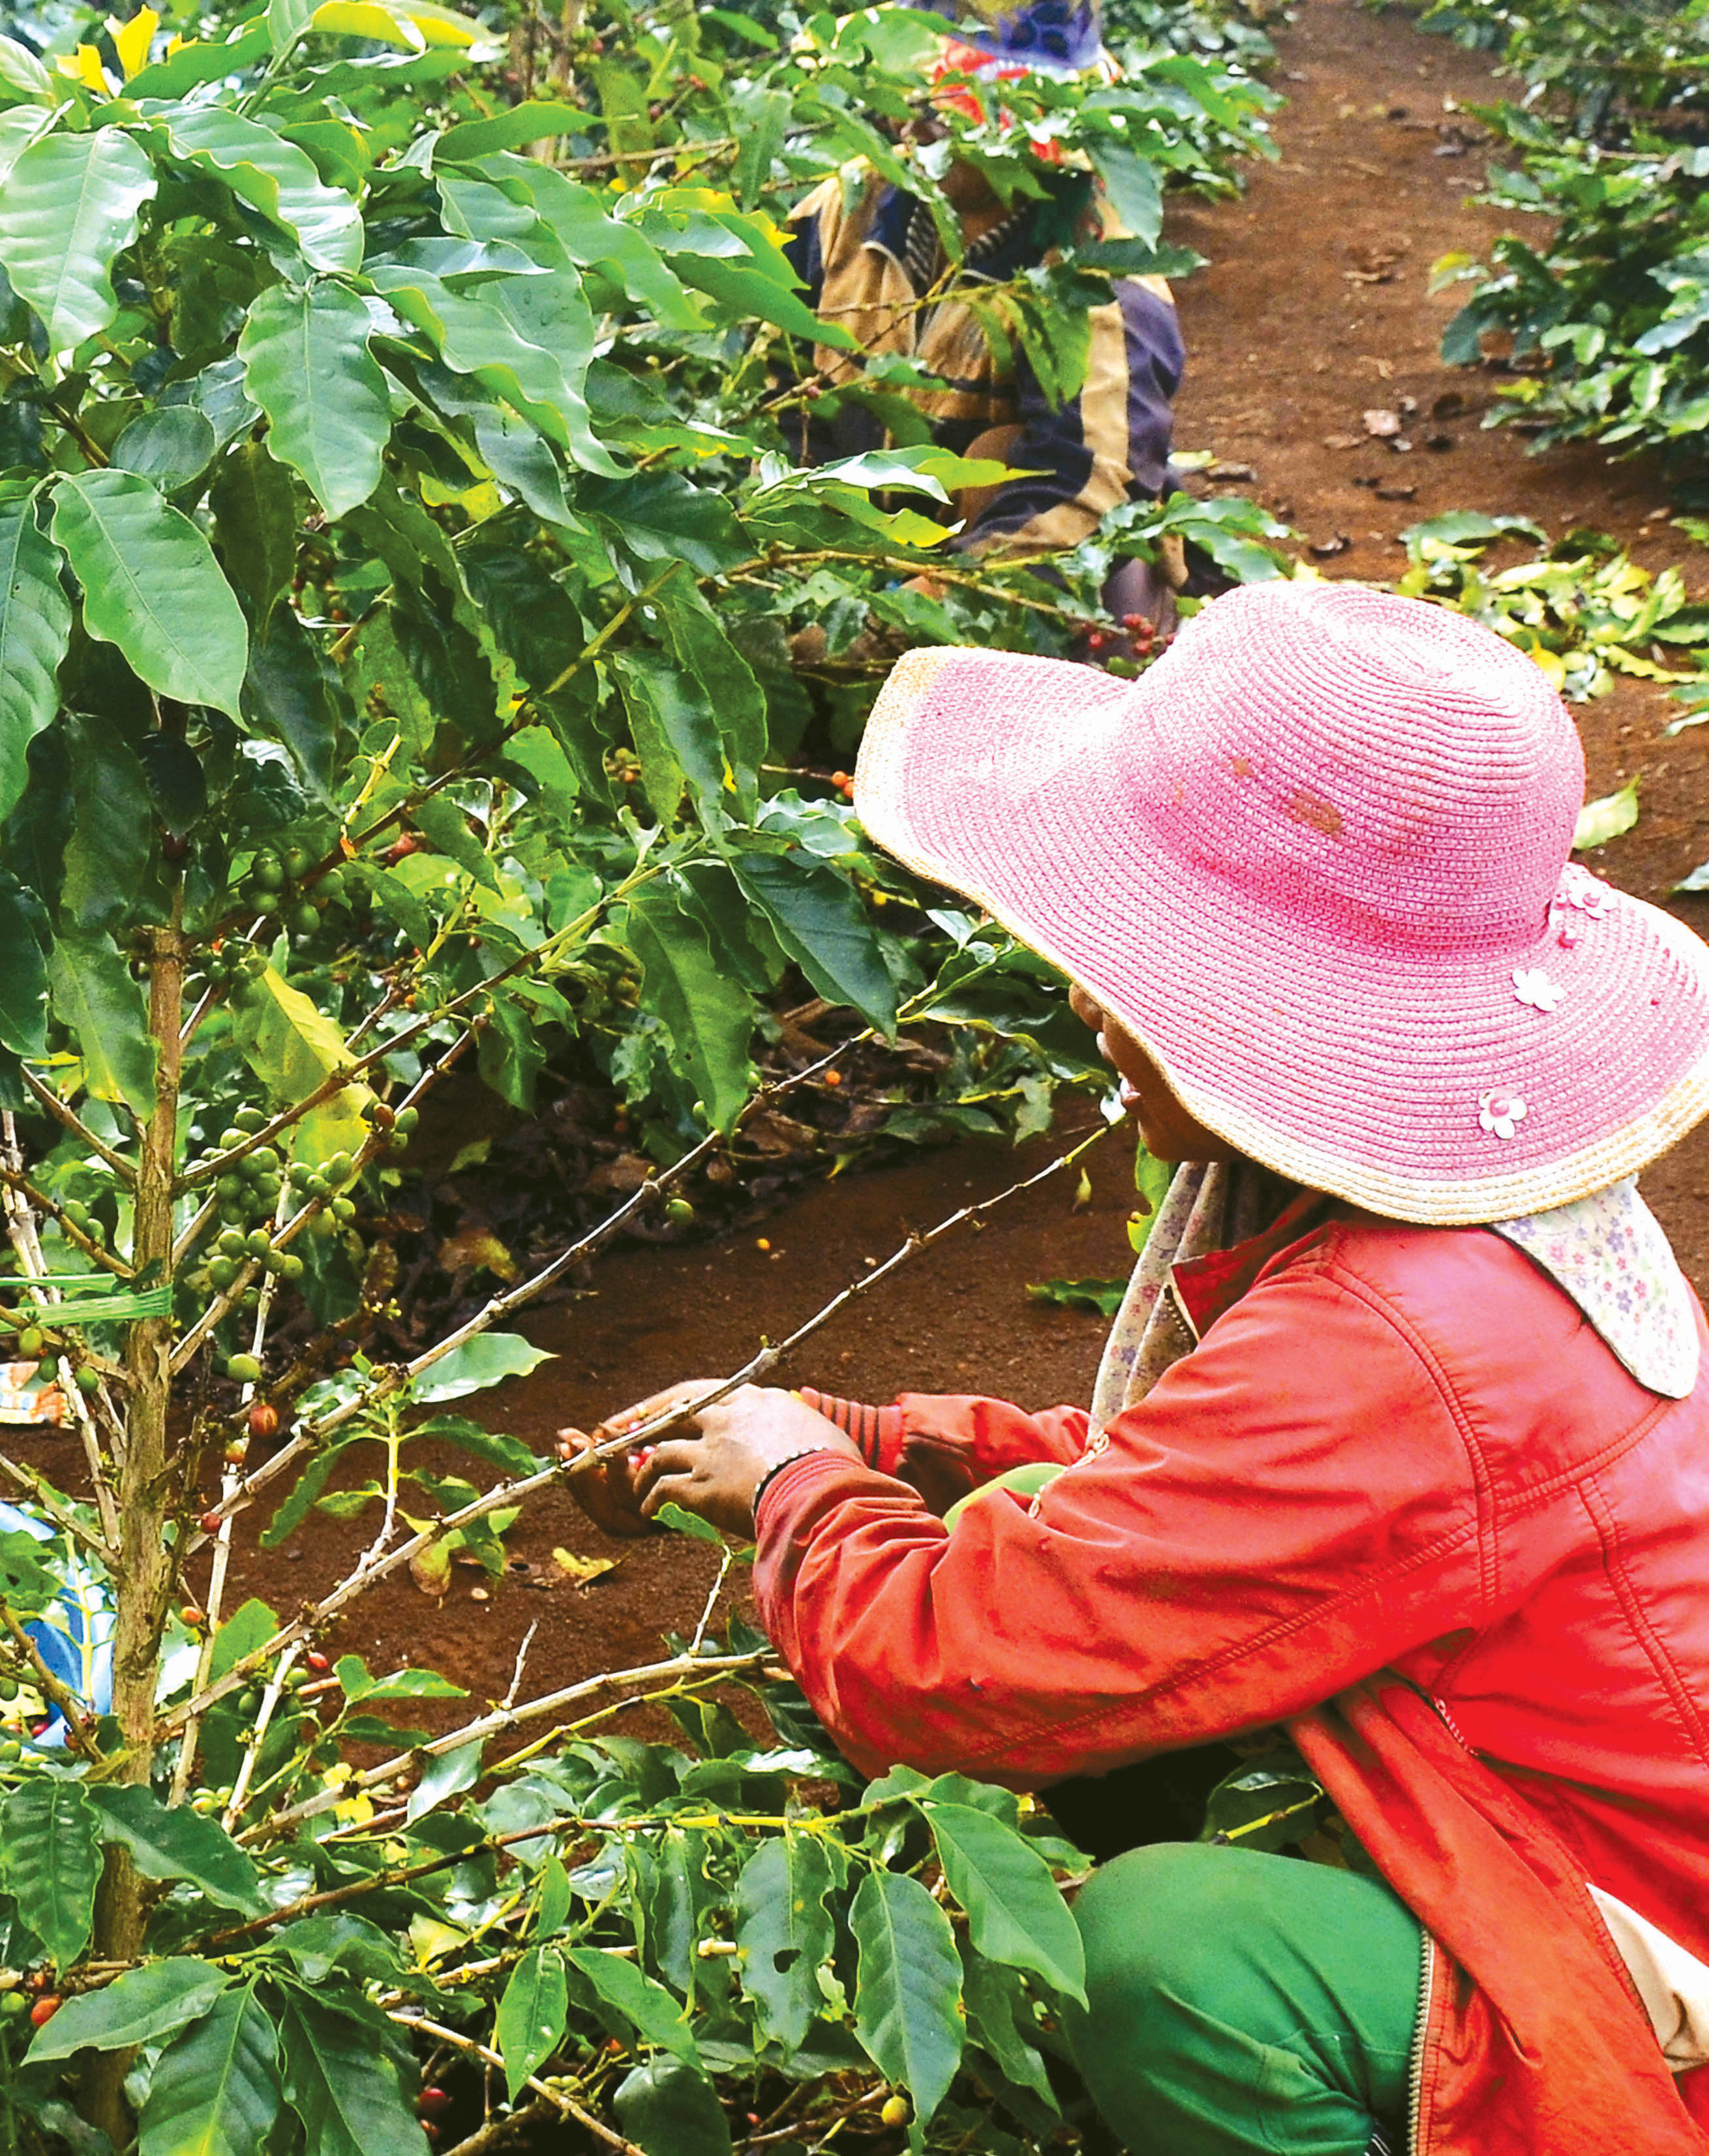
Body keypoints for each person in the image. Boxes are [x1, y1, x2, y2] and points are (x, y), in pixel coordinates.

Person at [569, 580, 1709, 2153]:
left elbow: (939, 1666)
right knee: (1042, 1501)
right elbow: (1193, 1485)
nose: (1090, 993)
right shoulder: (1444, 1229)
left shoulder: (1403, 1333)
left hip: (1635, 1935)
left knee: (1163, 1961)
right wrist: (879, 1441)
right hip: (1556, 1795)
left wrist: (792, 1483)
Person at [782, 0, 1185, 627]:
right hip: (858, 552)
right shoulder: (838, 212)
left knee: (1113, 576)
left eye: (952, 113)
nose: (916, 125)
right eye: (913, 95)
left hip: (996, 573)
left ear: (1040, 127)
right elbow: (778, 407)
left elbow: (1085, 499)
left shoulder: (1098, 283)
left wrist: (897, 620)